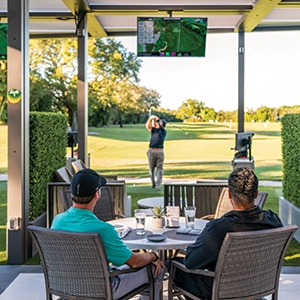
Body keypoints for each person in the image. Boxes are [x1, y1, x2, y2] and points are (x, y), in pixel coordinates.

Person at [51, 168, 166, 300]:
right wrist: (153, 256)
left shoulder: (57, 221)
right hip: (103, 290)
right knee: (158, 269)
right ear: (96, 194)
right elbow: (134, 262)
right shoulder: (103, 229)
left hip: (66, 288)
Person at [172, 167, 283, 299]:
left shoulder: (218, 228)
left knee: (173, 265)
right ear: (256, 194)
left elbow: (191, 262)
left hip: (221, 291)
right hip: (256, 287)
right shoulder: (273, 220)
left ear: (229, 194)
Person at [146, 115, 167, 190]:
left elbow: (151, 126)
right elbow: (150, 125)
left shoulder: (161, 131)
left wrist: (152, 119)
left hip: (156, 151)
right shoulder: (160, 130)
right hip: (156, 151)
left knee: (158, 168)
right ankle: (154, 184)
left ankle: (158, 184)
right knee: (153, 169)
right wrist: (152, 119)